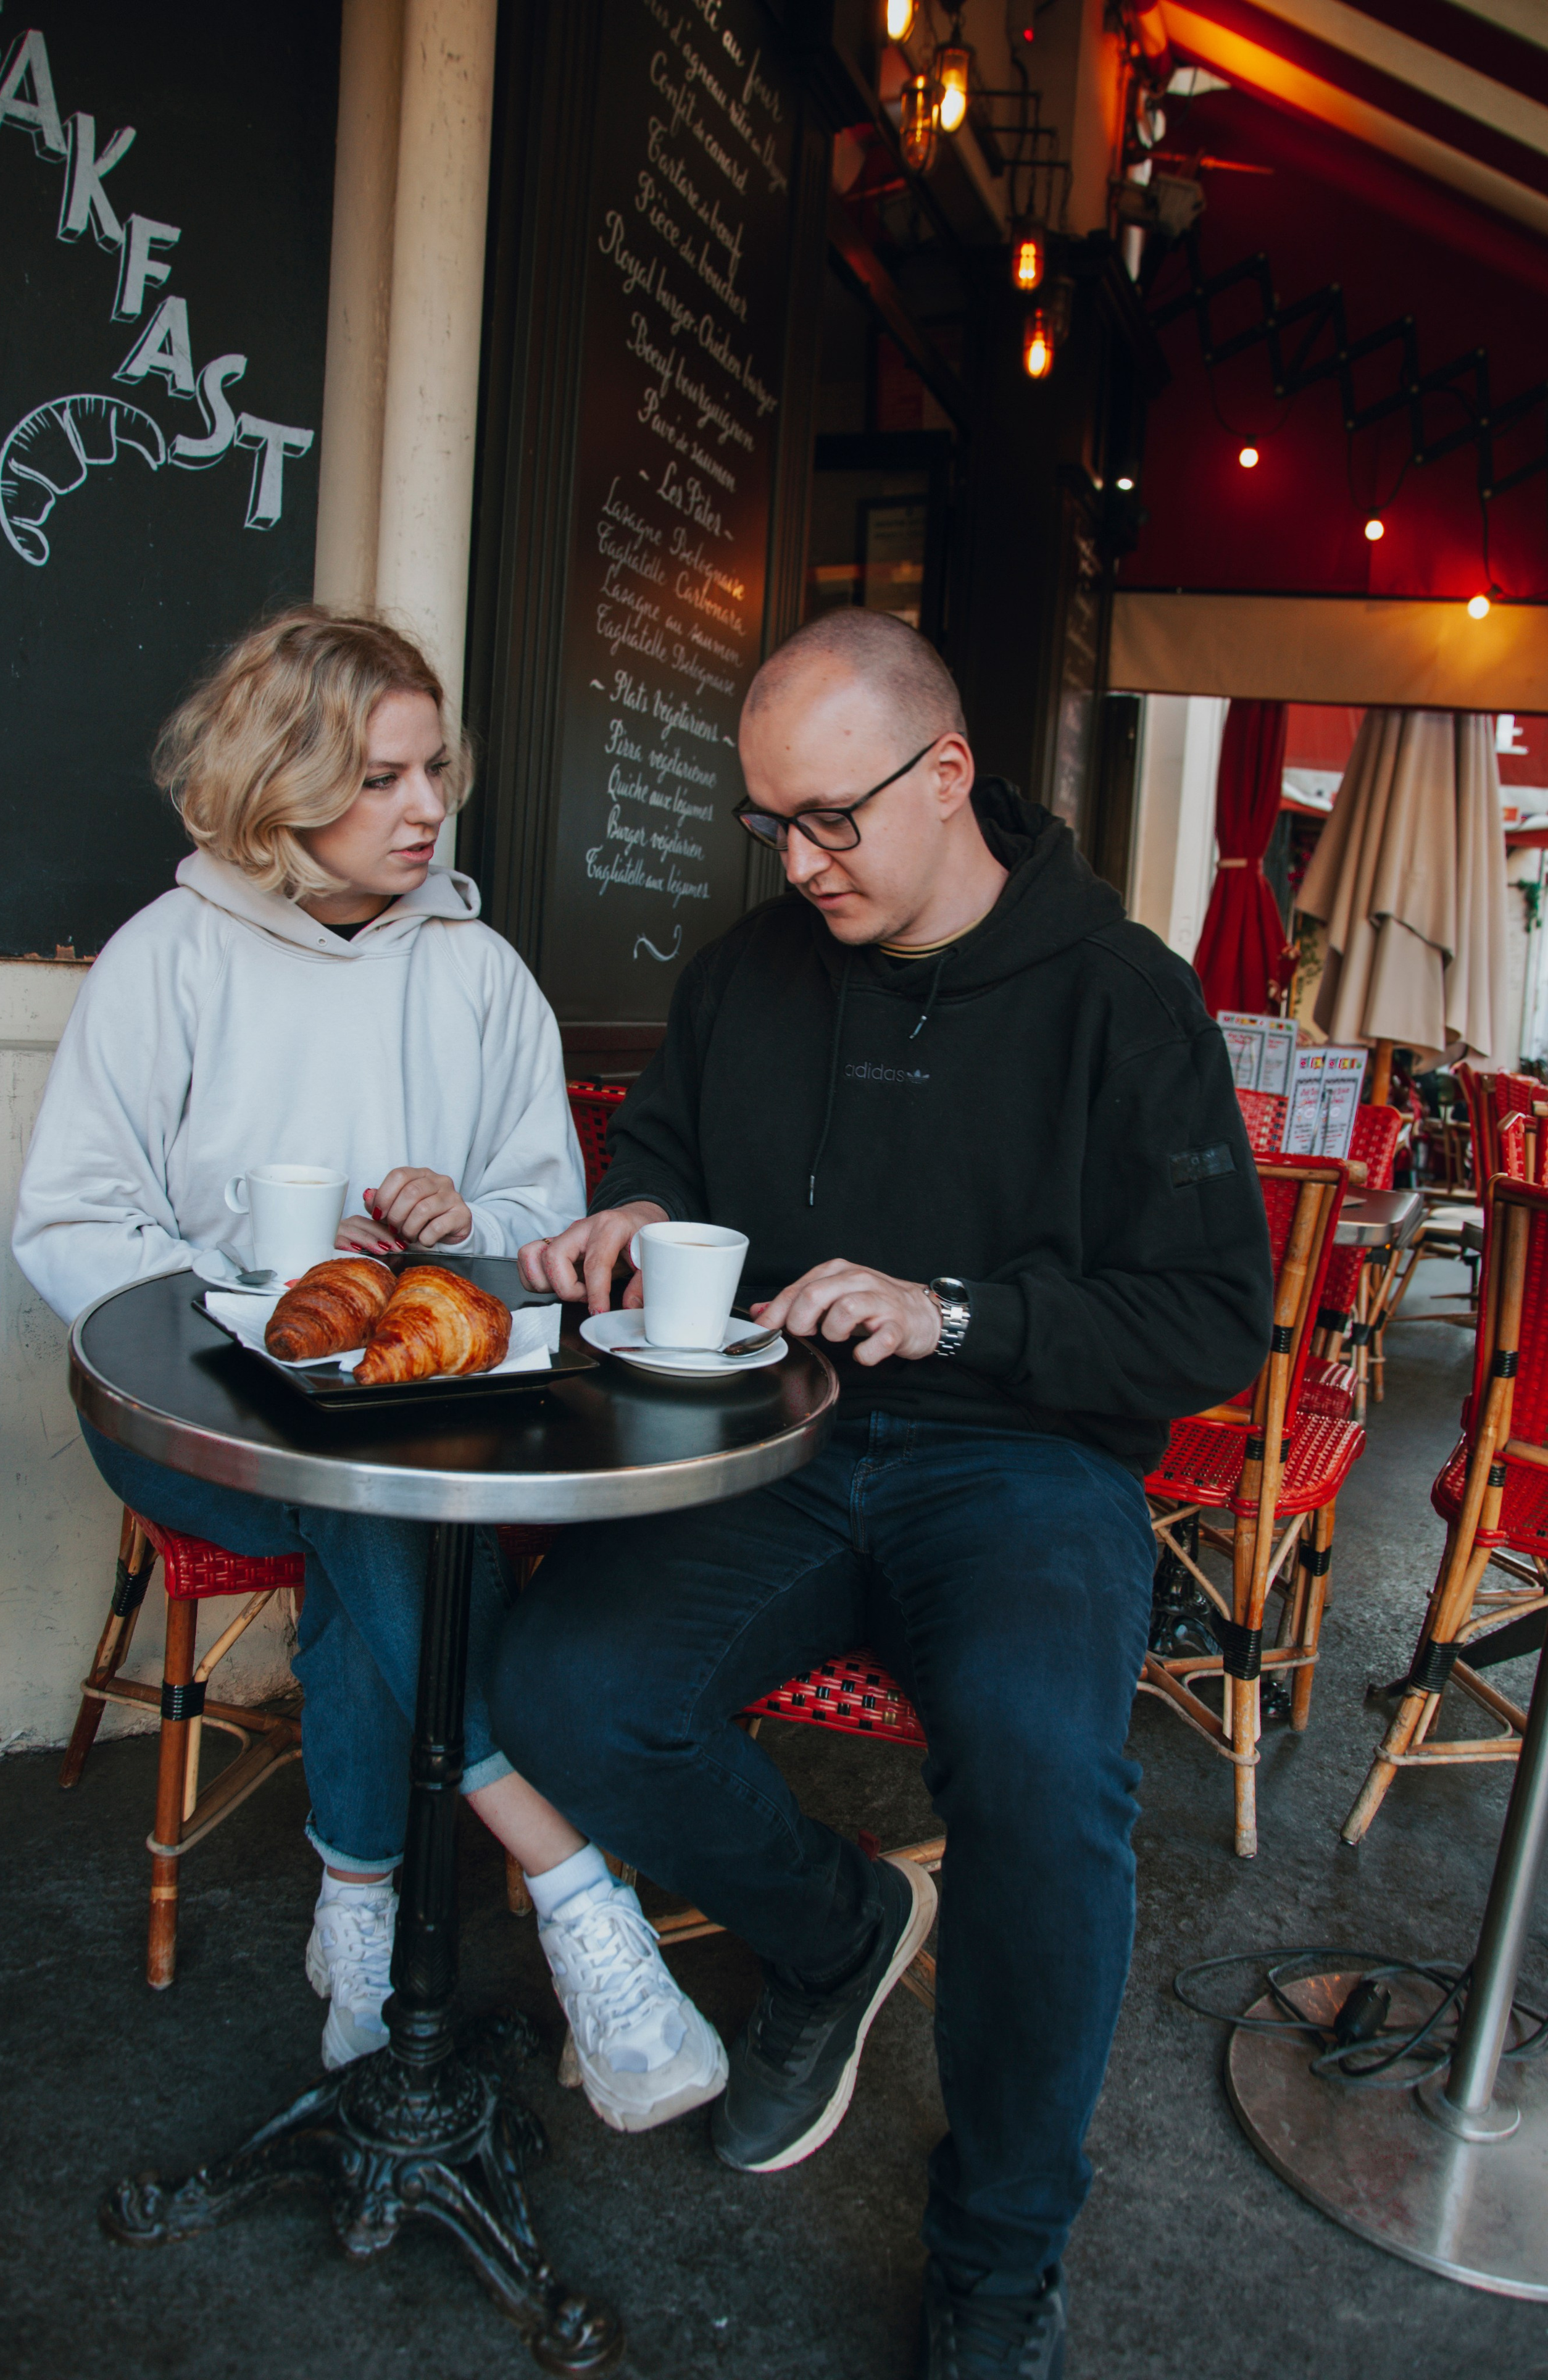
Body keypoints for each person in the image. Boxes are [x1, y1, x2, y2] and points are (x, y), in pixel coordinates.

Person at [497, 609, 1273, 2376]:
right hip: (775, 1436)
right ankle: (835, 1927)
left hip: (1022, 1464)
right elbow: (674, 1148)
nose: (798, 861)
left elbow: (1213, 1316)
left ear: (947, 778)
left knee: (1043, 1780)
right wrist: (631, 1209)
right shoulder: (750, 971)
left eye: (831, 818)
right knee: (557, 1685)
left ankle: (1000, 2253)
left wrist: (961, 1311)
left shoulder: (1122, 995)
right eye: (768, 821)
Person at [14, 607, 726, 2132]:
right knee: (368, 1498)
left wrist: (468, 1221)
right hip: (190, 1421)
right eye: (381, 779)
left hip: (414, 1420)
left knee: (371, 1504)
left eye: (432, 771)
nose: (424, 809)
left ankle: (356, 1909)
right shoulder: (169, 957)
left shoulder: (475, 972)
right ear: (279, 788)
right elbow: (70, 1219)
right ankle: (563, 1879)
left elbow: (544, 1219)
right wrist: (231, 1322)